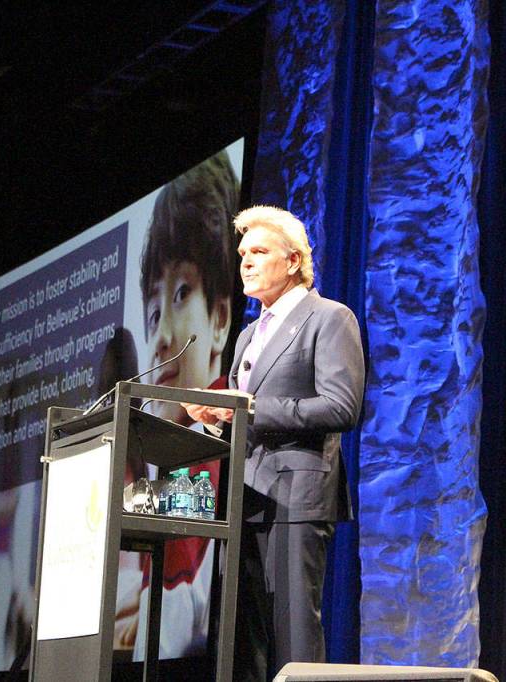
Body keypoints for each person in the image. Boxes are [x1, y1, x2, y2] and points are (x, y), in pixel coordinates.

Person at [184, 205, 365, 681]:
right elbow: (247, 417)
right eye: (243, 252)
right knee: (247, 640)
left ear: (292, 261)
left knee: (294, 635)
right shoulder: (246, 337)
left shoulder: (329, 317)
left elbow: (341, 408)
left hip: (297, 496)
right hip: (245, 499)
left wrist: (244, 408)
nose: (245, 261)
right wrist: (216, 420)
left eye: (259, 251)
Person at [114, 149, 240, 660]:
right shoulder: (170, 458)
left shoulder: (210, 446)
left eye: (182, 293)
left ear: (219, 318)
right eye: (150, 311)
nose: (161, 335)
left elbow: (176, 630)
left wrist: (120, 504)